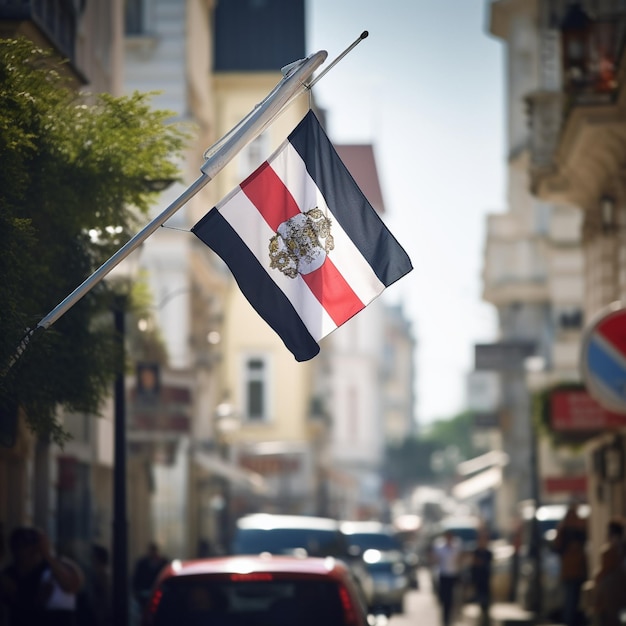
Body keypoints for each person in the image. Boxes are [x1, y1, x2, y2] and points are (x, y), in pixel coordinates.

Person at [0, 526, 83, 626]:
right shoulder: (9, 574)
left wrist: (48, 555)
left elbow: (71, 585)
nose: (24, 551)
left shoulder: (55, 567)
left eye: (29, 544)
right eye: (20, 546)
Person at [553, 502, 588, 626]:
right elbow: (558, 548)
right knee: (570, 598)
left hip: (575, 569)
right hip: (571, 570)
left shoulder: (576, 528)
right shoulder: (566, 530)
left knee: (573, 598)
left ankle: (570, 620)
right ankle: (569, 621)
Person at [592, 518, 626, 626]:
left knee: (609, 618)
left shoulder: (610, 550)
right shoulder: (620, 548)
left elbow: (604, 570)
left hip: (612, 592)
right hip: (618, 591)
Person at [431, 530, 463, 626]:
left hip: (454, 575)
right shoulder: (439, 547)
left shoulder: (457, 546)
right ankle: (445, 620)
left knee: (454, 599)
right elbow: (434, 559)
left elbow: (460, 559)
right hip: (443, 575)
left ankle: (453, 618)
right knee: (445, 599)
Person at [132, 542, 168, 611]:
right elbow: (136, 578)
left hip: (157, 592)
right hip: (144, 592)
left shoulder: (163, 562)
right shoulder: (142, 563)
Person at [470, 531, 493, 626]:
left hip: (486, 581)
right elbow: (473, 566)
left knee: (486, 605)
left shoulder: (488, 553)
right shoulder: (476, 552)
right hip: (478, 582)